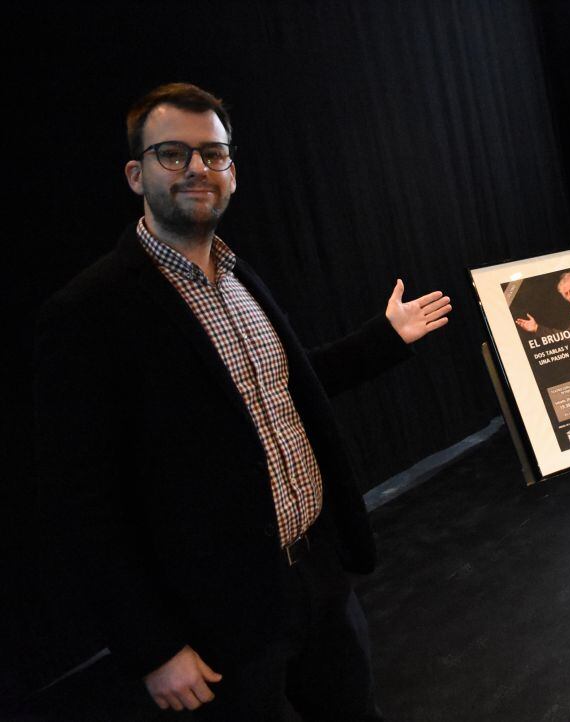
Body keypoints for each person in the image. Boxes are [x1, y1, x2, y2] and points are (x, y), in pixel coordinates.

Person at [34, 83, 451, 720]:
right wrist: (153, 648)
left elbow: (286, 386)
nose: (198, 169)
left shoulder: (237, 275)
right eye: (173, 154)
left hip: (317, 576)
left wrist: (384, 340)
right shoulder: (89, 312)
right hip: (216, 615)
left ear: (233, 170)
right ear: (135, 173)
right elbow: (85, 504)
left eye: (214, 154)